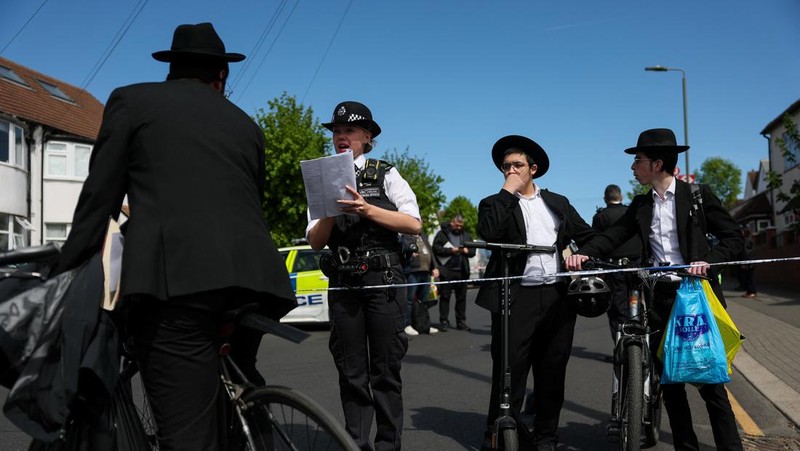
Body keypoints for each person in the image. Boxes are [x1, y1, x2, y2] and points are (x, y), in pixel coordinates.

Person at [55, 23, 296, 450]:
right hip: (256, 281)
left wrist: (67, 272)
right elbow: (248, 206)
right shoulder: (247, 126)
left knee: (188, 432)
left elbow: (100, 200)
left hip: (176, 281)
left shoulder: (133, 101)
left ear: (171, 69)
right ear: (221, 76)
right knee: (238, 382)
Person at [565, 128, 744, 451]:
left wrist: (709, 262)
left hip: (696, 298)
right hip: (659, 299)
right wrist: (585, 253)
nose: (633, 167)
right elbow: (613, 236)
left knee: (711, 385)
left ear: (657, 164)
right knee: (670, 384)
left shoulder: (698, 196)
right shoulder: (641, 205)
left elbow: (734, 238)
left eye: (638, 160)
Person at [306, 101, 421, 451]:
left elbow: (413, 224)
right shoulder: (322, 177)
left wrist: (367, 209)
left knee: (385, 372)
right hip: (344, 283)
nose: (341, 137)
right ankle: (356, 445)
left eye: (350, 131)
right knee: (351, 373)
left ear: (367, 137)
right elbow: (315, 241)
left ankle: (388, 446)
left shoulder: (386, 174)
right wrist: (329, 209)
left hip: (383, 281)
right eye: (337, 131)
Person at [475, 135, 596, 451]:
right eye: (506, 166)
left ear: (534, 169)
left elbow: (587, 235)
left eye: (517, 165)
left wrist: (584, 254)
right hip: (516, 297)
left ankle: (546, 436)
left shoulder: (557, 202)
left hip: (557, 296)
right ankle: (498, 434)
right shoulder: (494, 202)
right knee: (509, 371)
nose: (511, 170)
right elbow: (489, 232)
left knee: (552, 370)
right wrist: (507, 192)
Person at [591, 184, 642, 340]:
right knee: (639, 306)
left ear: (605, 199)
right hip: (636, 266)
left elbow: (597, 244)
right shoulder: (631, 212)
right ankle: (639, 342)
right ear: (621, 197)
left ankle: (621, 345)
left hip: (614, 268)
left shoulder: (601, 216)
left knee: (617, 310)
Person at [433, 214, 476, 331]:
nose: (459, 228)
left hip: (462, 271)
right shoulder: (442, 234)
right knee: (445, 297)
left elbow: (473, 251)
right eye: (457, 225)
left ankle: (461, 322)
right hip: (447, 271)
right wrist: (450, 250)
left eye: (461, 226)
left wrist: (467, 251)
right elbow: (436, 249)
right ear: (452, 223)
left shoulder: (466, 235)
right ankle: (444, 321)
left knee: (461, 298)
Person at [401, 232, 440, 335]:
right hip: (413, 271)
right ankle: (407, 324)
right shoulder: (406, 235)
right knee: (409, 299)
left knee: (424, 300)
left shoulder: (423, 236)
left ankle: (424, 324)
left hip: (426, 271)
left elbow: (430, 251)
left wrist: (435, 267)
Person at [740, 227, 757, 298]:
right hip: (749, 262)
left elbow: (748, 253)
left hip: (750, 262)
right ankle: (749, 291)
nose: (741, 233)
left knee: (750, 278)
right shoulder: (747, 240)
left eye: (742, 231)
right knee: (747, 278)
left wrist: (746, 263)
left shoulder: (748, 240)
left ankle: (752, 292)